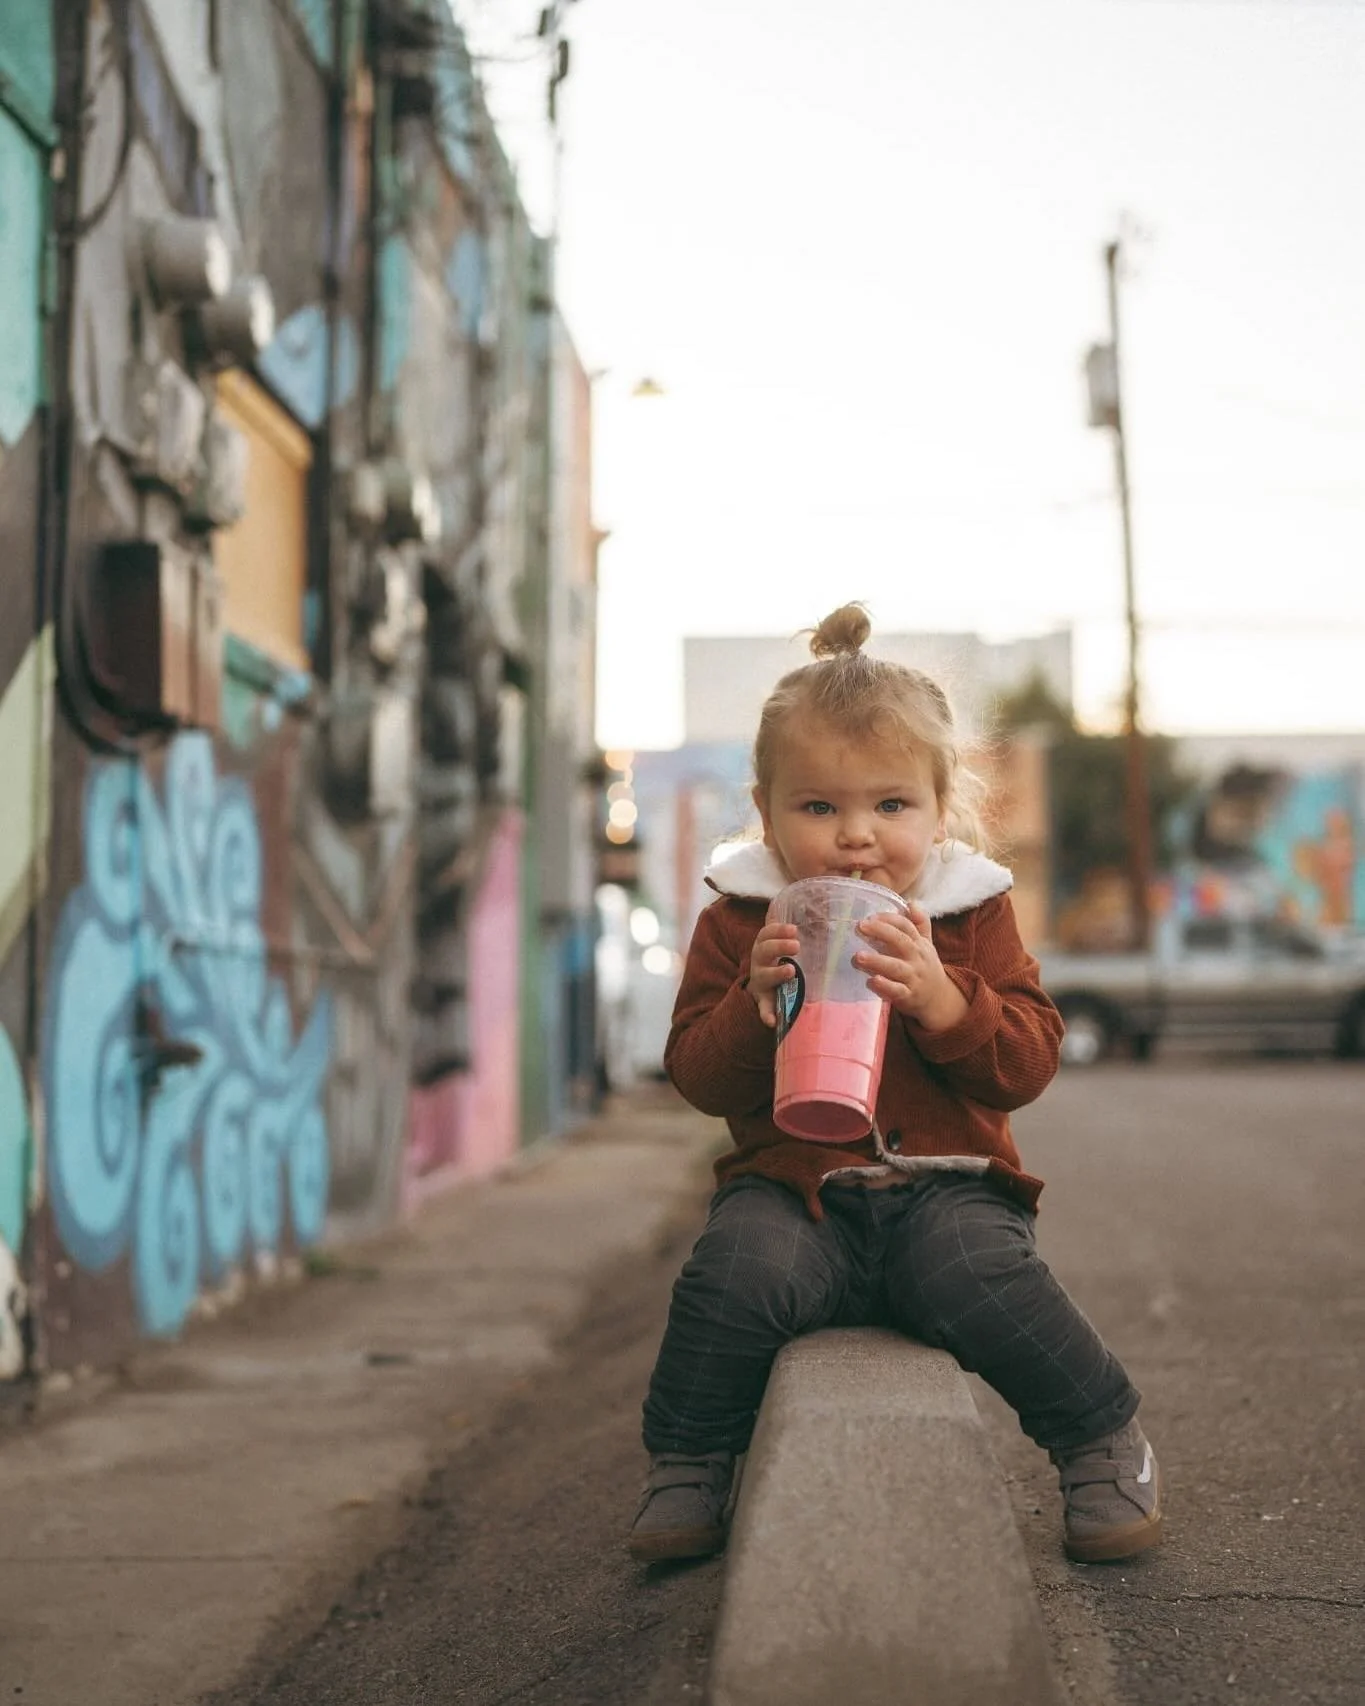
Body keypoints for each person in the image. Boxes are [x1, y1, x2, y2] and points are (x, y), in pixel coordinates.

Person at [626, 602, 1162, 1567]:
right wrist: (753, 1010)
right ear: (766, 810)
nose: (855, 838)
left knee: (981, 1275)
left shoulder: (969, 912)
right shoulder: (741, 920)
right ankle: (690, 1459)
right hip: (796, 1192)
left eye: (890, 806)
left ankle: (1098, 1438)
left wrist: (949, 1004)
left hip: (946, 1187)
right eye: (818, 807)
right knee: (733, 1269)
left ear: (940, 804)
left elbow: (1030, 1060)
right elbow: (695, 1079)